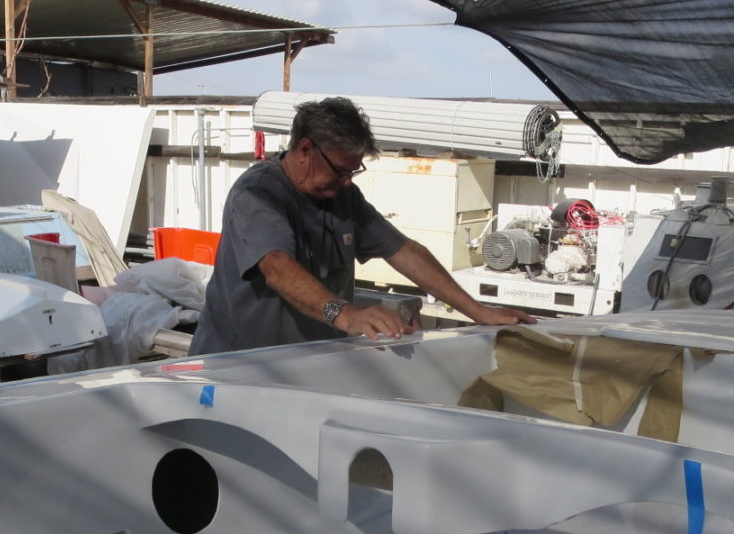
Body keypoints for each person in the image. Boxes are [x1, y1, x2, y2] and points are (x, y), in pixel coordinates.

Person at [189, 96, 535, 354]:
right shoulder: (258, 193)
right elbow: (278, 267)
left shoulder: (343, 197)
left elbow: (404, 250)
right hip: (236, 366)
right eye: (340, 170)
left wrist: (477, 311)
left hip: (306, 366)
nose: (347, 182)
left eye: (353, 172)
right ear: (306, 149)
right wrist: (347, 314)